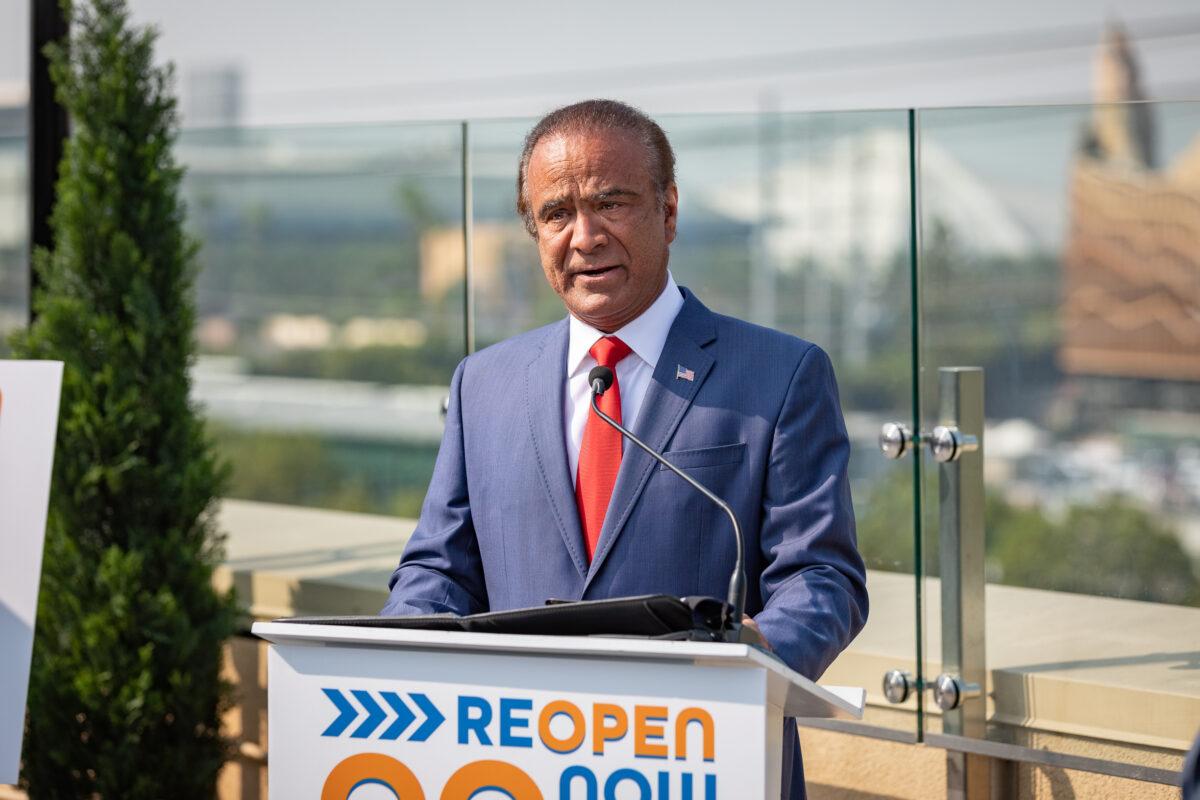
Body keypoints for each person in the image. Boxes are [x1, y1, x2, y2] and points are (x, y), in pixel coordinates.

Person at [383, 98, 868, 800]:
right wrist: (394, 652)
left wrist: (760, 652)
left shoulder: (779, 375)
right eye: (555, 214)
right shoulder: (483, 383)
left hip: (704, 759)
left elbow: (822, 578)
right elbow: (439, 568)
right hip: (517, 768)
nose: (584, 237)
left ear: (669, 211)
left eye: (611, 203)